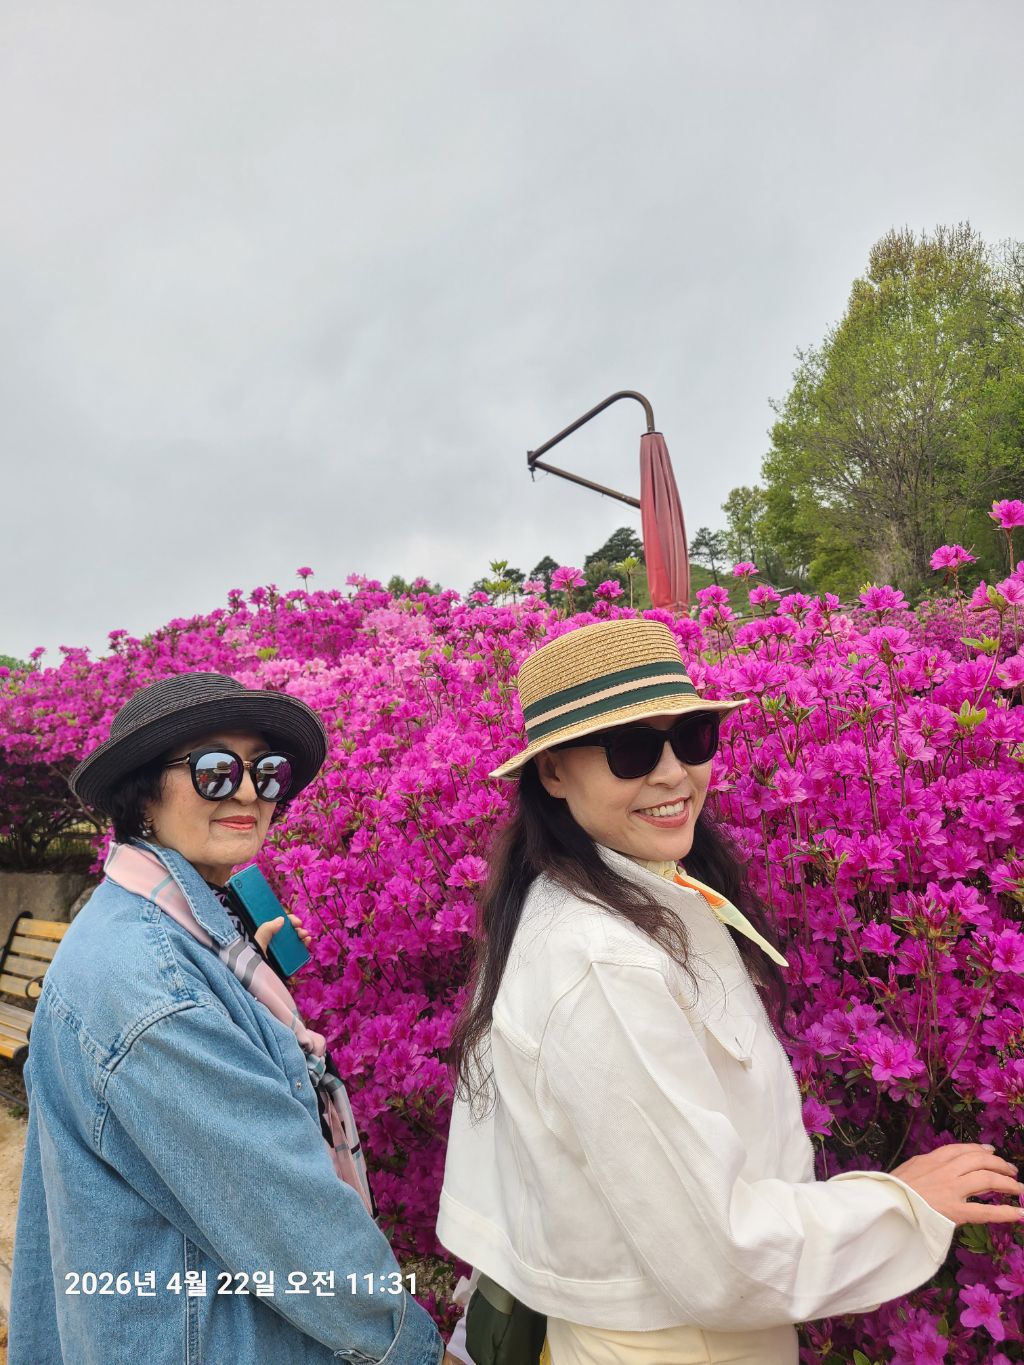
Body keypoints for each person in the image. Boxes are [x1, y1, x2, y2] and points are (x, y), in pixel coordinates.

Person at [437, 619, 1024, 1365]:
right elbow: (716, 1253)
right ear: (552, 773)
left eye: (692, 738)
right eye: (630, 750)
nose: (673, 774)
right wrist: (899, 1205)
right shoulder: (602, 964)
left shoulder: (583, 897)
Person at [11, 671, 453, 1365]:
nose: (248, 792)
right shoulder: (156, 988)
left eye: (266, 771)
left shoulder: (156, 925)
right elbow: (291, 1223)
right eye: (215, 770)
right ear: (143, 793)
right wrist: (416, 1349)